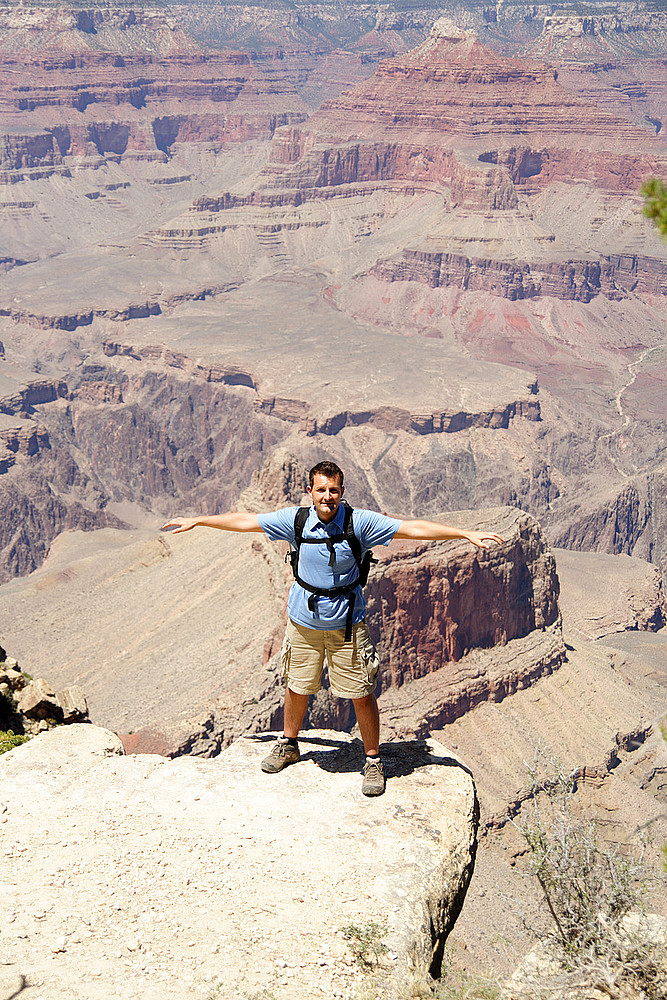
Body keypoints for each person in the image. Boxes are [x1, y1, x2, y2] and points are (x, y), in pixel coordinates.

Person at [162, 460, 503, 796]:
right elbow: (246, 520)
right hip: (303, 622)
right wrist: (200, 520)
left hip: (347, 626)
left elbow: (411, 528)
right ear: (309, 491)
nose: (327, 496)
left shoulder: (359, 523)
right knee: (297, 686)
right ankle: (289, 744)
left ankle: (372, 760)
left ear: (342, 492)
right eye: (321, 490)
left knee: (360, 691)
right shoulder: (294, 520)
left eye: (333, 490)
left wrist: (464, 533)